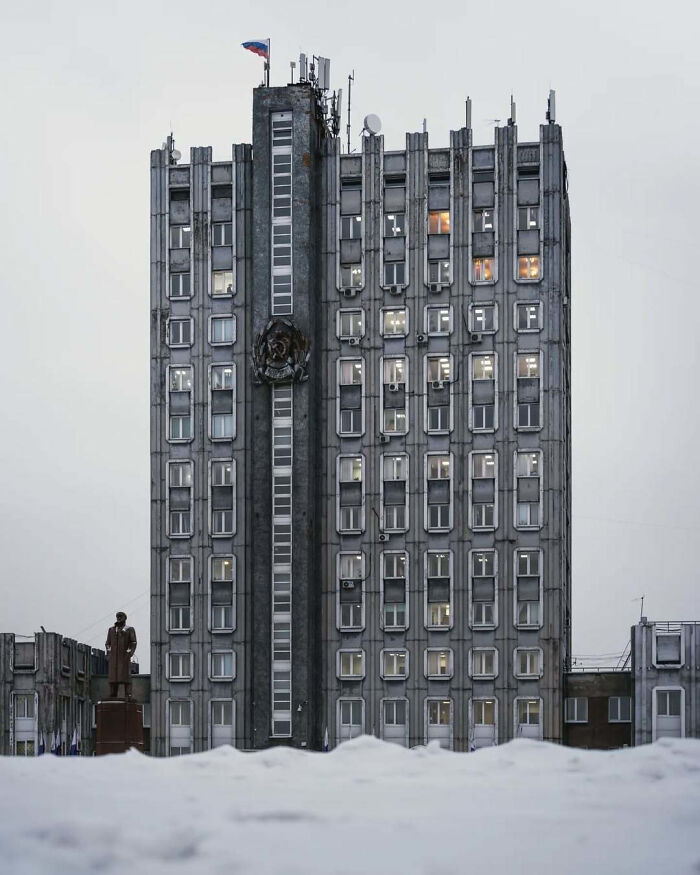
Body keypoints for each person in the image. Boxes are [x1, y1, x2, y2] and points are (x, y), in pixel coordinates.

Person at [105, 612, 137, 699]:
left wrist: (129, 653)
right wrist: (109, 653)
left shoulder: (129, 629)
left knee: (126, 676)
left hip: (124, 657)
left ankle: (128, 694)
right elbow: (108, 643)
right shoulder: (111, 630)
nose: (119, 618)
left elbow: (133, 642)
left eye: (120, 617)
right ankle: (113, 694)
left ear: (125, 618)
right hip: (113, 658)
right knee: (113, 677)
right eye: (117, 617)